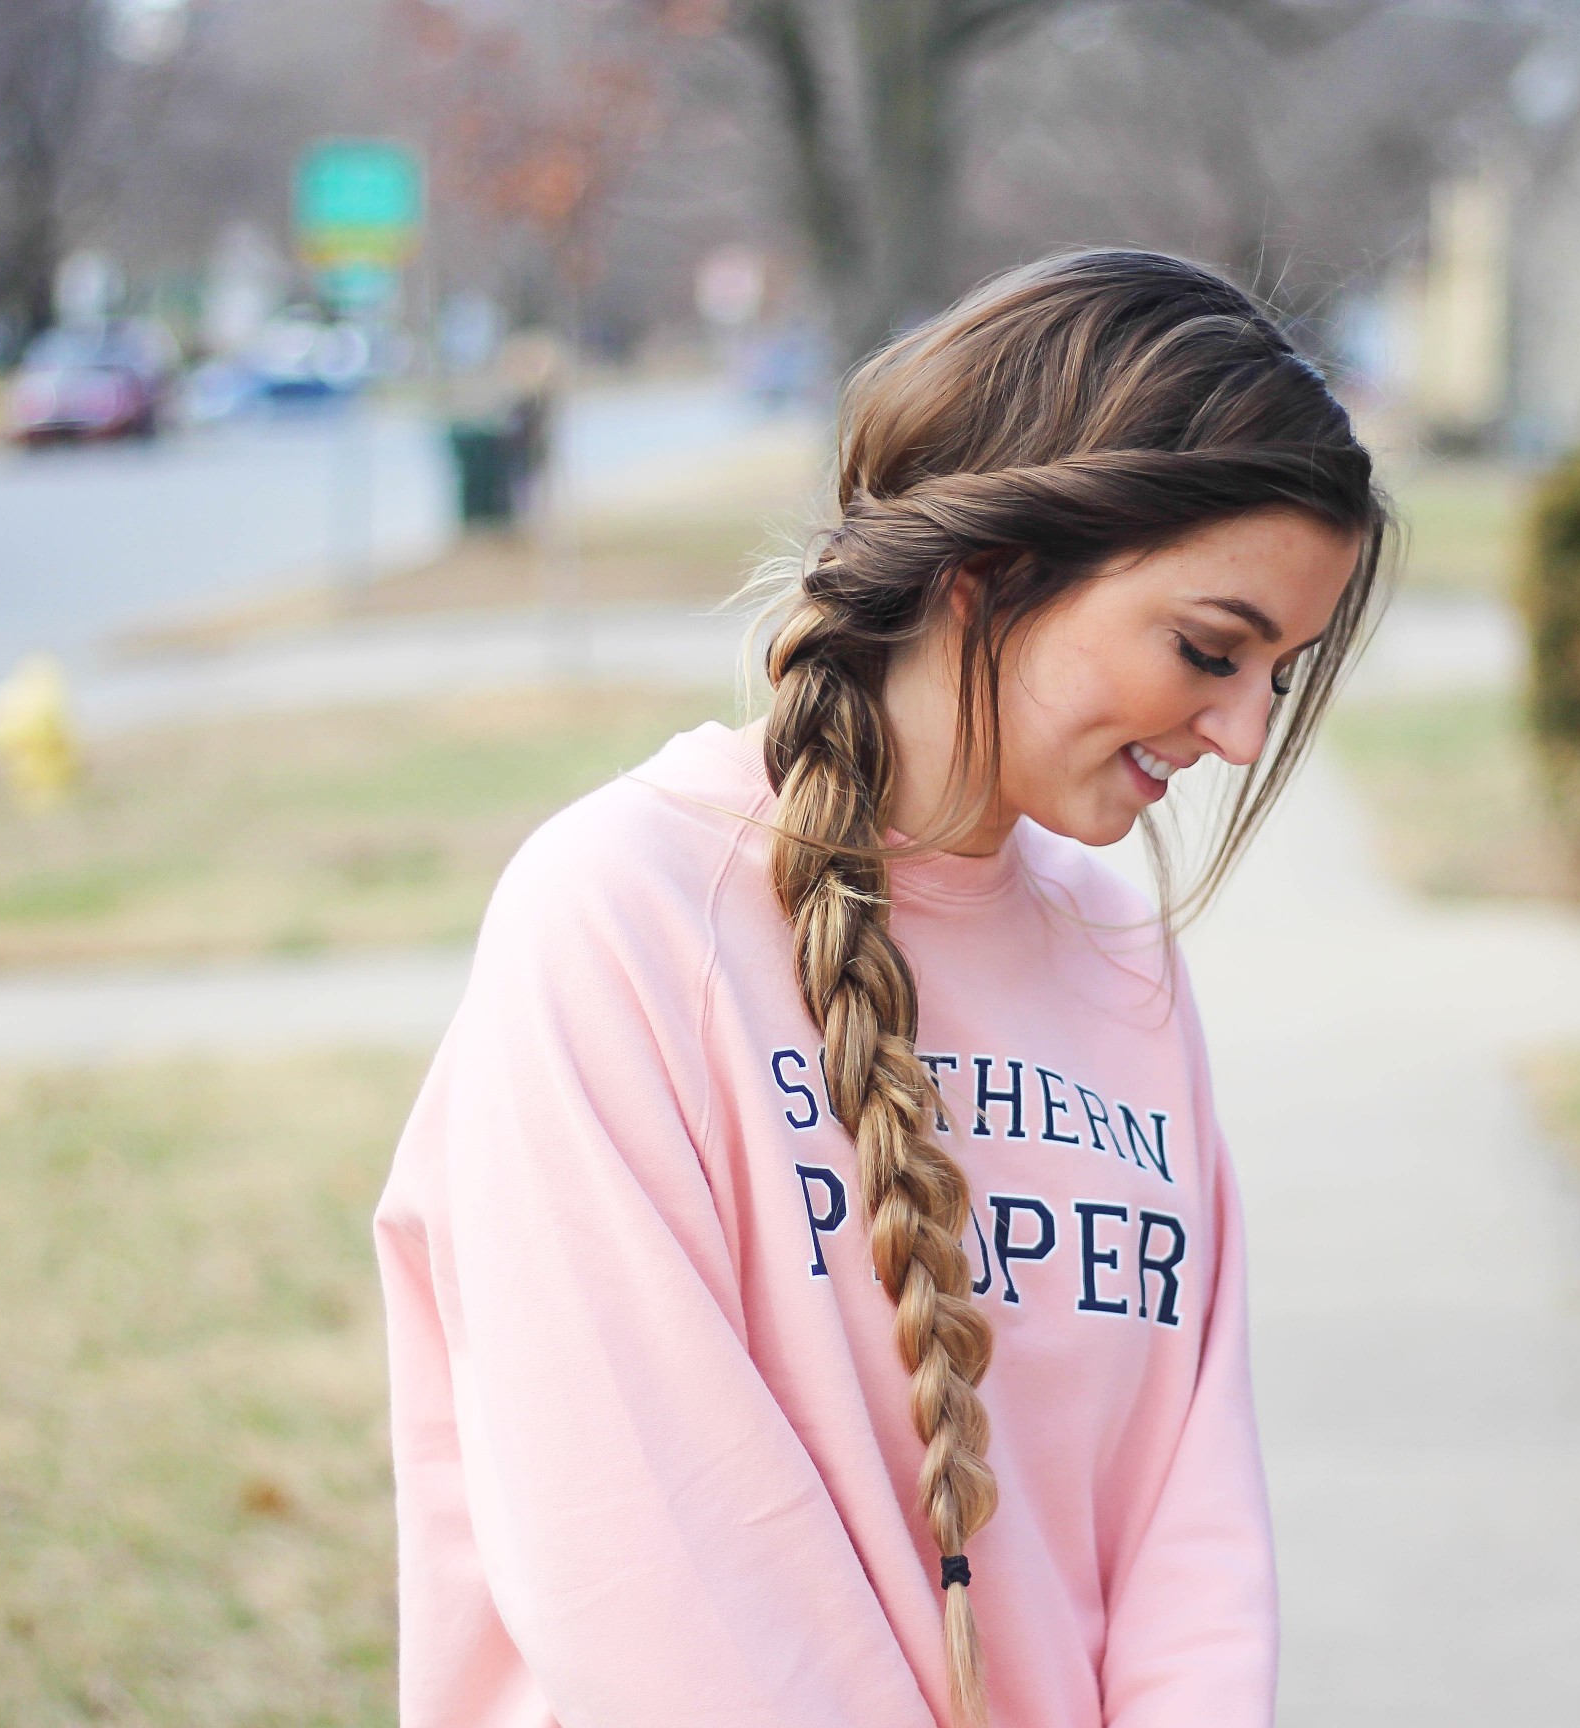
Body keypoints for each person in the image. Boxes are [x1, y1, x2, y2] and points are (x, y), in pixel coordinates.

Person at [374, 249, 1388, 1728]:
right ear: (988, 573)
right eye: (1210, 650)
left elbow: (1191, 1520)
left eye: (1276, 677)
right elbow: (644, 1552)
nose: (1239, 732)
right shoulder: (623, 916)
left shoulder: (1124, 963)